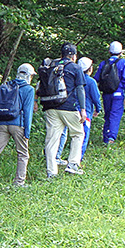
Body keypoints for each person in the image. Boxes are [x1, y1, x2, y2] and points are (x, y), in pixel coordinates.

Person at [43, 43, 87, 177]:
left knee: (52, 139)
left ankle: (51, 171)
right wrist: (83, 109)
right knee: (78, 134)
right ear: (73, 56)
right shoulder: (75, 67)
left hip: (50, 107)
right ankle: (73, 164)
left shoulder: (52, 65)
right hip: (68, 107)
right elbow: (80, 89)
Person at [55, 57, 101, 163]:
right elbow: (96, 97)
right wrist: (98, 109)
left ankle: (57, 155)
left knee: (63, 132)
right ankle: (77, 159)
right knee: (82, 136)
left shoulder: (72, 78)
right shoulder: (91, 81)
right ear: (90, 69)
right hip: (86, 112)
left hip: (71, 109)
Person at [93, 41, 125, 145]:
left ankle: (105, 137)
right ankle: (111, 138)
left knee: (107, 115)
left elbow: (96, 78)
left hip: (106, 93)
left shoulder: (103, 63)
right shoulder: (123, 63)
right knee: (115, 116)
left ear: (109, 51)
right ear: (121, 52)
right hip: (118, 93)